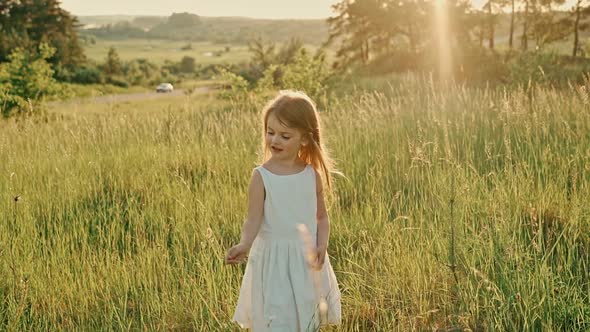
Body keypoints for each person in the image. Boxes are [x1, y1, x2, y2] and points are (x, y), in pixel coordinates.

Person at [225, 90, 342, 331]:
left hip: (304, 261)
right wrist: (244, 245)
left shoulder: (312, 175)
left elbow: (321, 217)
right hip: (274, 262)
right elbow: (253, 219)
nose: (274, 140)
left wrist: (322, 246)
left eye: (285, 135)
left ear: (305, 139)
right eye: (270, 132)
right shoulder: (262, 176)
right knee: (277, 319)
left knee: (306, 318)